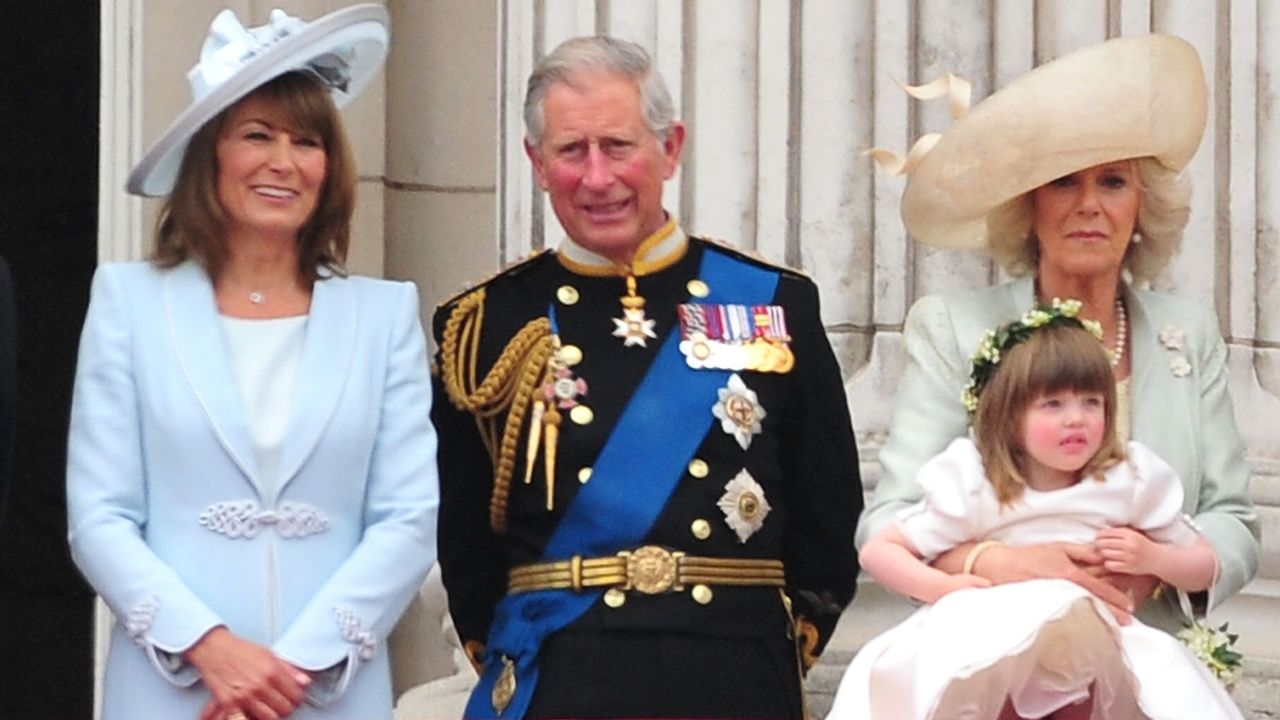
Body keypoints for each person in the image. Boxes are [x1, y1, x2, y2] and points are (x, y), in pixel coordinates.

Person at [432, 35, 863, 719]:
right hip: (559, 678)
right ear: (537, 163)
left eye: (619, 146)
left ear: (671, 147)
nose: (598, 178)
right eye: (572, 151)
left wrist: (788, 641)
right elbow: (467, 539)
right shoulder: (483, 323)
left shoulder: (769, 300)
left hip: (731, 673)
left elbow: (826, 504)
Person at [66, 6, 439, 720]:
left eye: (306, 141)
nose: (282, 161)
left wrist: (288, 673)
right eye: (257, 135)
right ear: (212, 154)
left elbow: (406, 519)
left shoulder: (383, 316)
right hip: (175, 688)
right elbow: (101, 516)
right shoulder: (129, 303)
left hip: (330, 690)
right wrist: (211, 649)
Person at [859, 34, 1259, 633]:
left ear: (1143, 204)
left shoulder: (1188, 332)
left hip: (1149, 650)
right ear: (1028, 204)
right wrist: (999, 560)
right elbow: (888, 519)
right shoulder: (955, 327)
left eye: (1114, 182)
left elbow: (1233, 521)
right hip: (998, 648)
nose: (1090, 205)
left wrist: (1156, 567)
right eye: (1065, 181)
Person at [829, 306, 1242, 719]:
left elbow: (1204, 563)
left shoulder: (1127, 478)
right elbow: (880, 552)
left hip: (1095, 651)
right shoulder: (978, 482)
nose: (1076, 419)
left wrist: (1154, 558)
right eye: (1053, 405)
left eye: (1092, 402)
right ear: (1008, 417)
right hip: (987, 640)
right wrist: (946, 589)